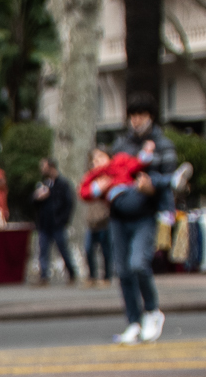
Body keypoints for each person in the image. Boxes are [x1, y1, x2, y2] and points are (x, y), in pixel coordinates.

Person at [83, 112, 171, 342]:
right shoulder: (118, 148)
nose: (136, 120)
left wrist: (153, 183)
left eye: (141, 115)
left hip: (143, 214)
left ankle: (152, 311)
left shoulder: (157, 146)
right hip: (118, 218)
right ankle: (134, 321)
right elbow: (84, 190)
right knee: (122, 271)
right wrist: (97, 187)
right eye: (132, 115)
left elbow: (146, 167)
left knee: (138, 264)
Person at [30, 156, 79, 283]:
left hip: (57, 223)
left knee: (63, 249)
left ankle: (72, 272)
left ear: (51, 167)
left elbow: (69, 203)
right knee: (43, 250)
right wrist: (37, 197)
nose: (41, 169)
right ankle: (44, 276)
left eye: (44, 166)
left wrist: (63, 220)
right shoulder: (44, 183)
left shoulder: (62, 184)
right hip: (44, 223)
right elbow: (33, 201)